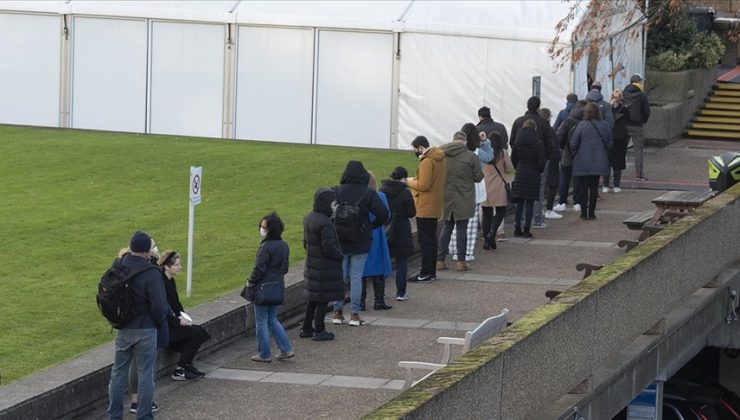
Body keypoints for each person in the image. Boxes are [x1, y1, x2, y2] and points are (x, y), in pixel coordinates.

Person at [107, 231, 168, 420]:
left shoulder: (118, 266)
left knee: (118, 374)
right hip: (145, 329)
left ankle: (114, 415)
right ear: (147, 251)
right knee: (145, 375)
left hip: (123, 327)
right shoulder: (151, 273)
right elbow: (159, 305)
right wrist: (159, 324)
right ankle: (144, 415)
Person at [331, 161, 388, 326]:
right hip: (360, 240)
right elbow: (383, 214)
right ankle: (355, 314)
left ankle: (337, 311)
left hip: (340, 240)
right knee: (356, 277)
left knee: (340, 277)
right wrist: (371, 226)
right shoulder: (368, 193)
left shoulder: (336, 191)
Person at [247, 212, 294, 362]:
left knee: (261, 321)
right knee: (272, 319)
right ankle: (285, 349)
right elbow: (285, 268)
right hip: (277, 286)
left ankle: (264, 353)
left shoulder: (265, 247)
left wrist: (251, 281)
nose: (261, 229)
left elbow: (259, 268)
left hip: (263, 288)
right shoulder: (283, 245)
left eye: (263, 227)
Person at [158, 250, 210, 380]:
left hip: (173, 321)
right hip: (166, 326)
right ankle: (180, 369)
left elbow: (176, 304)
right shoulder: (161, 283)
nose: (180, 267)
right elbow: (164, 308)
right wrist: (178, 321)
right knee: (196, 334)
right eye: (176, 265)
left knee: (199, 332)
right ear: (166, 267)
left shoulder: (170, 281)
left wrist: (183, 316)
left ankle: (186, 365)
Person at [437, 131, 484, 272]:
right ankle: (461, 261)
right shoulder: (471, 156)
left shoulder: (441, 154)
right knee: (462, 229)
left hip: (446, 196)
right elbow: (478, 177)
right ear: (465, 141)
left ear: (453, 140)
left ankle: (440, 260)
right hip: (464, 196)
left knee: (446, 227)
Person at [301, 188, 344, 341]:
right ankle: (319, 330)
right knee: (322, 300)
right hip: (324, 267)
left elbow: (306, 243)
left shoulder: (309, 218)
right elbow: (329, 248)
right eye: (333, 203)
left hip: (312, 264)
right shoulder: (325, 223)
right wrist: (340, 256)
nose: (335, 206)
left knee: (312, 299)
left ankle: (306, 328)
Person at [510, 96, 558, 230]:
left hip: (520, 165)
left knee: (520, 195)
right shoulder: (543, 123)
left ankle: (520, 221)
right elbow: (550, 143)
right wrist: (545, 159)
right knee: (537, 193)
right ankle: (537, 219)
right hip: (537, 165)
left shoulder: (518, 121)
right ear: (538, 107)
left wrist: (516, 161)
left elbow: (512, 141)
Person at [449, 122, 493, 262]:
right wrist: (485, 141)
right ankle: (467, 252)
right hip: (474, 189)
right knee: (471, 224)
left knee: (456, 223)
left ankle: (455, 250)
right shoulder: (477, 152)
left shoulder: (452, 152)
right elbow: (490, 156)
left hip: (456, 189)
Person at [406, 136, 446, 282]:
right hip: (434, 204)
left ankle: (425, 272)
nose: (415, 152)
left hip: (425, 205)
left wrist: (409, 181)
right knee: (431, 239)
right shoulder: (439, 158)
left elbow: (423, 185)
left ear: (420, 147)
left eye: (415, 149)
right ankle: (430, 271)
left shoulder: (427, 161)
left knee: (425, 241)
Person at [570, 103, 613, 220]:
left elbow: (573, 143)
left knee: (583, 187)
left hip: (582, 159)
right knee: (594, 187)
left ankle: (584, 213)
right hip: (598, 159)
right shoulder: (604, 125)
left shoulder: (582, 125)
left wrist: (576, 153)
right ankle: (592, 212)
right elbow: (609, 142)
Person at [380, 166, 416, 301]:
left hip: (385, 230)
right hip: (401, 230)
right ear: (404, 178)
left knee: (384, 261)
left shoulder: (382, 191)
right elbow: (411, 213)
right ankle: (400, 293)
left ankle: (380, 292)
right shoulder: (405, 193)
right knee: (402, 262)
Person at [360, 171, 393, 311]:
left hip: (361, 234)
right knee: (378, 268)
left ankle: (360, 302)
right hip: (377, 233)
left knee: (360, 270)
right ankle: (379, 301)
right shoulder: (380, 196)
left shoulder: (358, 197)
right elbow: (387, 216)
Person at [511, 120, 545, 238]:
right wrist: (539, 170)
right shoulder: (538, 143)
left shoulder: (517, 142)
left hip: (520, 172)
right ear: (534, 128)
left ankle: (517, 228)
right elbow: (541, 162)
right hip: (533, 173)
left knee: (519, 202)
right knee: (530, 202)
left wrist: (518, 167)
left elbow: (513, 159)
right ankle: (526, 229)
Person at [480, 131, 513, 250]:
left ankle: (486, 239)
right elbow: (509, 169)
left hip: (485, 187)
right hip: (499, 186)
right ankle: (492, 233)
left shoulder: (483, 153)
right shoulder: (502, 153)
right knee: (500, 212)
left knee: (486, 214)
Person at [554, 100, 587, 213]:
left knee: (564, 179)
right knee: (578, 179)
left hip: (567, 154)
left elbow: (559, 135)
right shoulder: (586, 121)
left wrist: (563, 147)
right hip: (581, 155)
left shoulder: (568, 120)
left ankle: (562, 202)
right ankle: (577, 202)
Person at [623, 74, 651, 181]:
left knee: (620, 149)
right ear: (638, 82)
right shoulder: (642, 95)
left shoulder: (624, 93)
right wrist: (643, 120)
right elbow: (646, 111)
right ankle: (639, 173)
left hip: (624, 125)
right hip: (637, 126)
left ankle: (615, 171)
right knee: (638, 150)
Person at [538, 108, 562, 220]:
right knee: (552, 184)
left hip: (541, 160)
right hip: (551, 159)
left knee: (540, 186)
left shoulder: (537, 128)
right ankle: (549, 209)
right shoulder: (549, 130)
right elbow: (554, 145)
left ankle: (540, 210)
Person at [605, 89, 629, 193]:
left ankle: (607, 185)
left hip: (612, 137)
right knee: (616, 162)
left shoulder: (607, 108)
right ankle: (615, 185)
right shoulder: (624, 108)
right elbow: (628, 119)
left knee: (609, 161)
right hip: (620, 137)